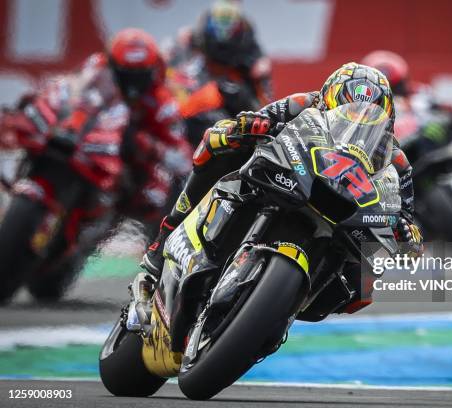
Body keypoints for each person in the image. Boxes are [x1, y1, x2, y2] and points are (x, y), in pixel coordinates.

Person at [142, 62, 423, 279]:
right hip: (287, 174)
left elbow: (407, 223)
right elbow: (255, 119)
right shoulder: (303, 103)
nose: (356, 122)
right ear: (327, 101)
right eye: (348, 111)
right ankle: (165, 236)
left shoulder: (396, 161)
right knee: (221, 143)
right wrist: (247, 127)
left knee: (367, 273)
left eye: (368, 117)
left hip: (345, 211)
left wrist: (407, 232)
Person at [3, 28, 191, 223]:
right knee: (29, 104)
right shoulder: (96, 67)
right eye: (123, 73)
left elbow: (183, 158)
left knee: (153, 197)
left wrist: (149, 145)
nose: (130, 83)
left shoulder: (163, 102)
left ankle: (103, 222)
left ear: (152, 72)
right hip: (81, 139)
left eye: (138, 75)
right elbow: (70, 88)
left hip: (120, 165)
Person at [362, 50, 452, 209]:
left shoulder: (421, 94)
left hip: (430, 144)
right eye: (384, 89)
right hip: (399, 157)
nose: (392, 94)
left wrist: (448, 116)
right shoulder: (366, 115)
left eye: (396, 86)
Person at [163, 1, 273, 148]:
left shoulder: (252, 59)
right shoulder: (188, 46)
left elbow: (264, 108)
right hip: (186, 125)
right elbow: (169, 94)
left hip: (231, 128)